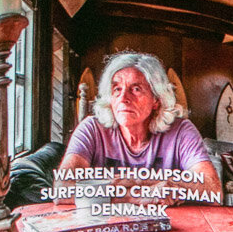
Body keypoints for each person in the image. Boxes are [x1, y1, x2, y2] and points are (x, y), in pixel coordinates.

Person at [58, 52, 222, 203]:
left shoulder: (181, 131)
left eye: (136, 89)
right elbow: (62, 189)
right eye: (117, 89)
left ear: (156, 100)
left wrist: (168, 186)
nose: (123, 98)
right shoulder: (91, 129)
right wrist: (135, 196)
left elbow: (213, 190)